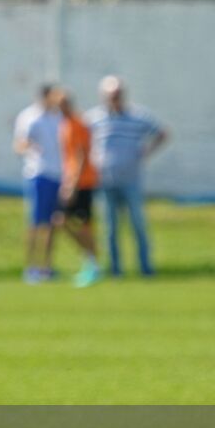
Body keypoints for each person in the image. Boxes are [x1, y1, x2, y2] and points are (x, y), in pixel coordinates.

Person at [86, 76, 168, 277]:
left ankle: (145, 267)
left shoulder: (137, 116)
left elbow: (161, 133)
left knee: (138, 225)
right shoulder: (94, 118)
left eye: (117, 95)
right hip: (105, 180)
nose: (114, 99)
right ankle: (115, 269)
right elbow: (81, 141)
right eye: (110, 96)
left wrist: (145, 153)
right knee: (110, 228)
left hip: (131, 179)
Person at [13, 85, 64, 284]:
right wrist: (29, 146)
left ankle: (47, 267)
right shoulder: (29, 116)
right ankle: (30, 267)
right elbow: (19, 144)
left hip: (58, 175)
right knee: (36, 223)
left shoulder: (59, 116)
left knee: (53, 223)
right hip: (39, 174)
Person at [57, 88, 102, 287]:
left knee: (76, 223)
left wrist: (72, 185)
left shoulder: (77, 123)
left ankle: (92, 264)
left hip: (83, 182)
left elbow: (82, 155)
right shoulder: (65, 124)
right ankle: (90, 261)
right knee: (67, 222)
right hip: (74, 181)